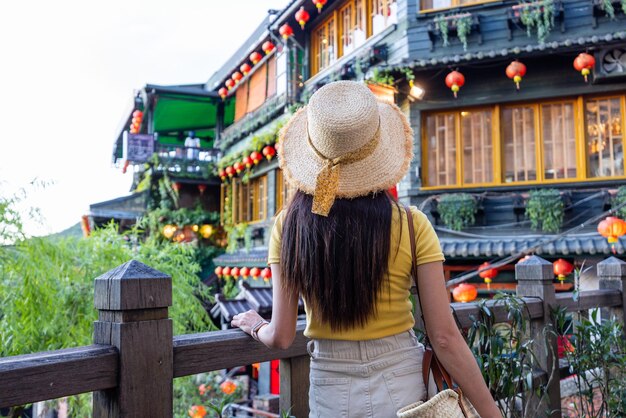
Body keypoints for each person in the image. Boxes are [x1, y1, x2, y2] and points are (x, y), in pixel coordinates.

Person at [231, 81, 500, 418]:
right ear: (376, 151)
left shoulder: (289, 226)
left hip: (330, 390)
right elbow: (444, 338)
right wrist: (491, 413)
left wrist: (255, 325)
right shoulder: (412, 224)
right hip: (404, 384)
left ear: (314, 151)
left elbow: (282, 336)